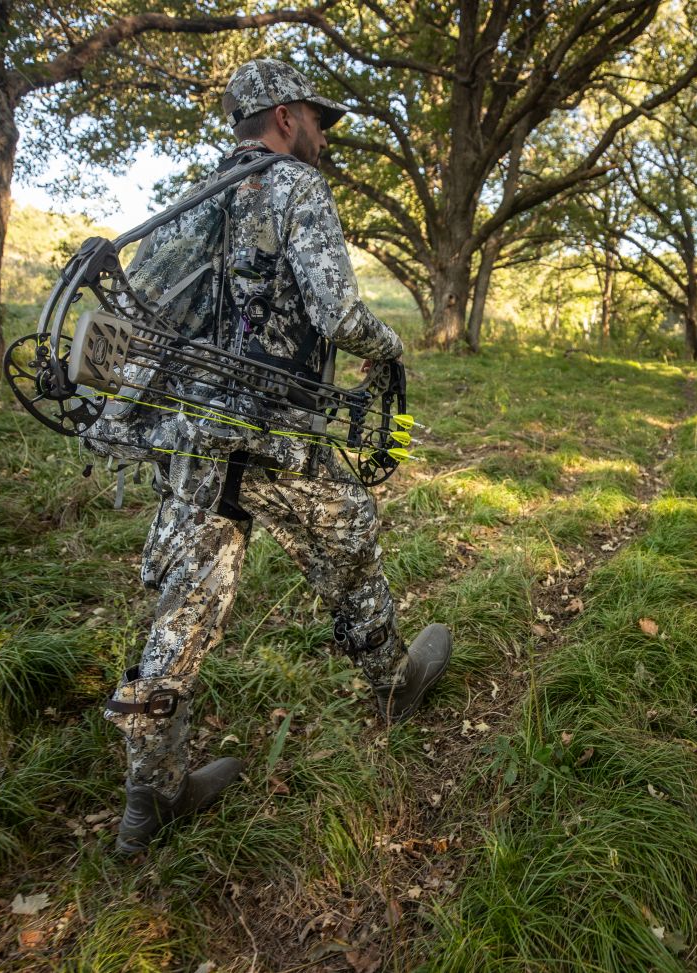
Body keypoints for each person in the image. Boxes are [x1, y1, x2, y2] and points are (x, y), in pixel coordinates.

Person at [102, 59, 452, 854]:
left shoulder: (202, 197)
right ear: (287, 117)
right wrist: (391, 344)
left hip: (195, 439)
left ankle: (149, 795)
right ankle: (394, 685)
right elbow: (336, 310)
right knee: (349, 540)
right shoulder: (295, 186)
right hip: (275, 436)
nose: (324, 137)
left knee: (183, 612)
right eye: (319, 122)